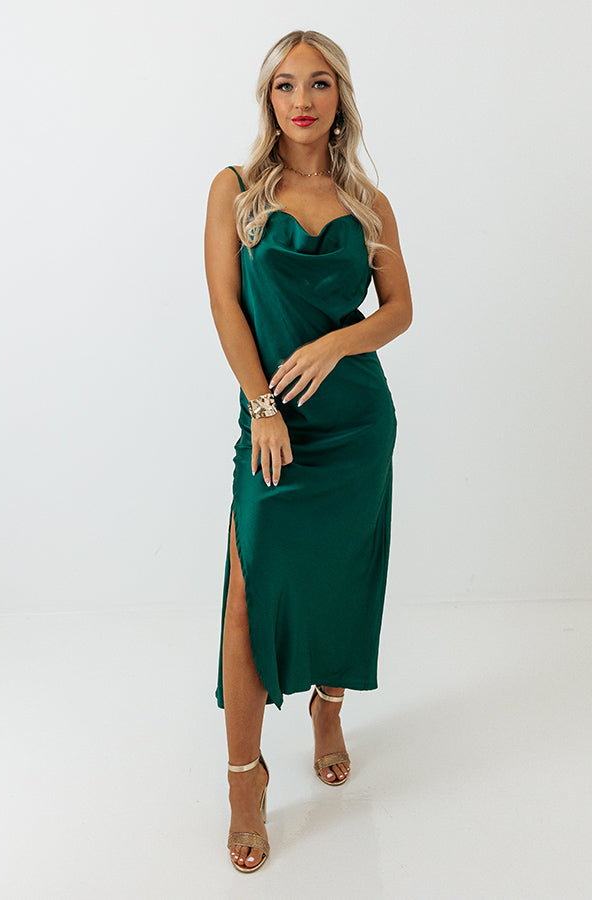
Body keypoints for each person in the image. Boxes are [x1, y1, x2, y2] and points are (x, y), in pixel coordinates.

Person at [204, 29, 412, 873]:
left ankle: (329, 706)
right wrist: (263, 406)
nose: (302, 99)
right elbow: (225, 304)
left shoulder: (368, 201)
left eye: (318, 83)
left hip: (356, 424)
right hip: (273, 425)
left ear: (339, 98)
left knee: (342, 578)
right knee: (246, 597)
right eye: (286, 84)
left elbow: (398, 310)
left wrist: (335, 343)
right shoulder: (235, 189)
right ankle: (244, 782)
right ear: (269, 98)